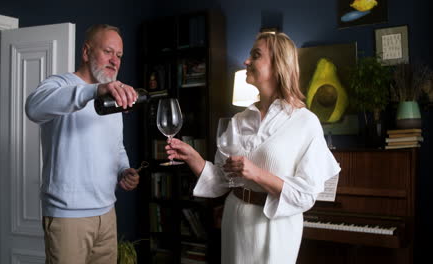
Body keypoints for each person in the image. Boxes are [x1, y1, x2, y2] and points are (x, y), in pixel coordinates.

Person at [166, 32, 341, 264]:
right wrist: (193, 158)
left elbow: (305, 195)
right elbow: (222, 179)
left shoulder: (305, 122)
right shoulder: (239, 120)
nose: (246, 61)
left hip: (275, 227)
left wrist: (257, 174)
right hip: (236, 219)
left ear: (279, 65)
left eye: (255, 55)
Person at [25, 24, 140, 264]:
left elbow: (116, 146)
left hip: (107, 214)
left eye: (119, 55)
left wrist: (124, 169)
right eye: (108, 51)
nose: (115, 60)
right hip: (68, 218)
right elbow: (33, 108)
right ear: (86, 52)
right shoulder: (59, 84)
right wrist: (94, 91)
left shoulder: (114, 96)